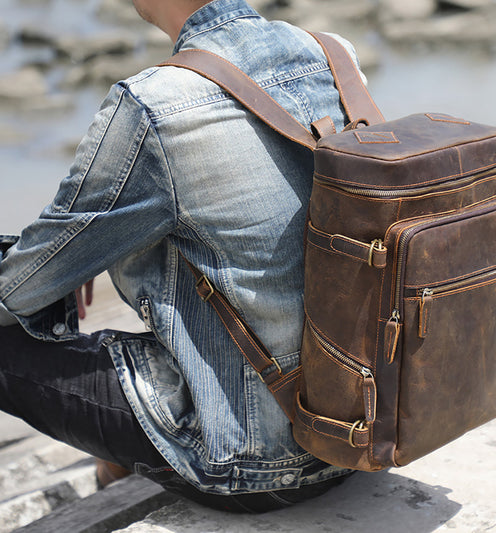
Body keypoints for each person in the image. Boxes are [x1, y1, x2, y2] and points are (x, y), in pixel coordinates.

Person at [0, 0, 361, 513]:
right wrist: (80, 253)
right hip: (357, 433)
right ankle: (115, 469)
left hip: (258, 463)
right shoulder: (333, 55)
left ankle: (119, 472)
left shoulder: (152, 103)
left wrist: (64, 265)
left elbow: (20, 287)